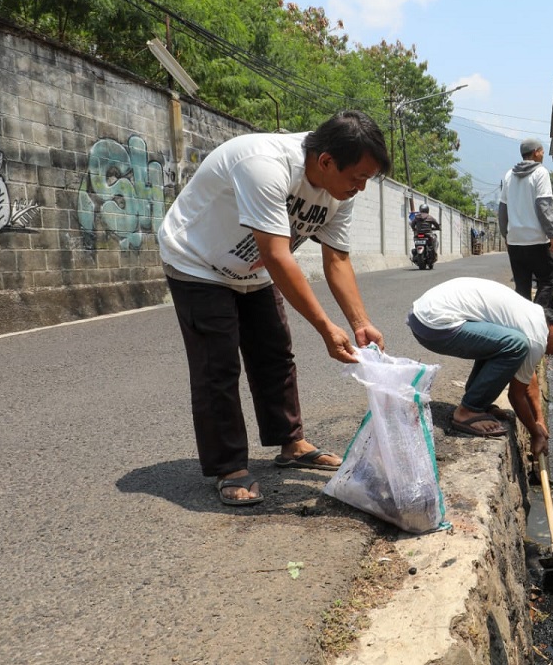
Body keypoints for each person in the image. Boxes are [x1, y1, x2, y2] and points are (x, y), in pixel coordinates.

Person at [157, 110, 391, 507]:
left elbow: (337, 260)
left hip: (252, 269)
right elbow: (279, 256)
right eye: (357, 178)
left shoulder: (338, 193)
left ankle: (291, 443)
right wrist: (324, 327)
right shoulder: (264, 164)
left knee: (275, 353)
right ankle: (229, 465)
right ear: (326, 161)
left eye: (366, 180)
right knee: (218, 364)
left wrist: (359, 322)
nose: (360, 189)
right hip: (197, 260)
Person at [406, 277, 553, 457]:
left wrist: (539, 420)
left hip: (423, 316)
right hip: (435, 324)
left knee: (506, 344)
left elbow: (529, 376)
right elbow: (516, 395)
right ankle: (468, 410)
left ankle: (479, 403)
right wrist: (535, 434)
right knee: (516, 345)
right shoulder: (536, 337)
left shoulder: (533, 317)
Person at [499, 138, 553, 307]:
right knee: (546, 281)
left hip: (515, 242)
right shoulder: (540, 173)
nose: (543, 155)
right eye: (541, 151)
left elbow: (502, 210)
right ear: (535, 153)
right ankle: (538, 317)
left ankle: (523, 323)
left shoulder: (509, 175)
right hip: (537, 240)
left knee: (522, 286)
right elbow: (543, 206)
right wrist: (552, 234)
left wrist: (506, 235)